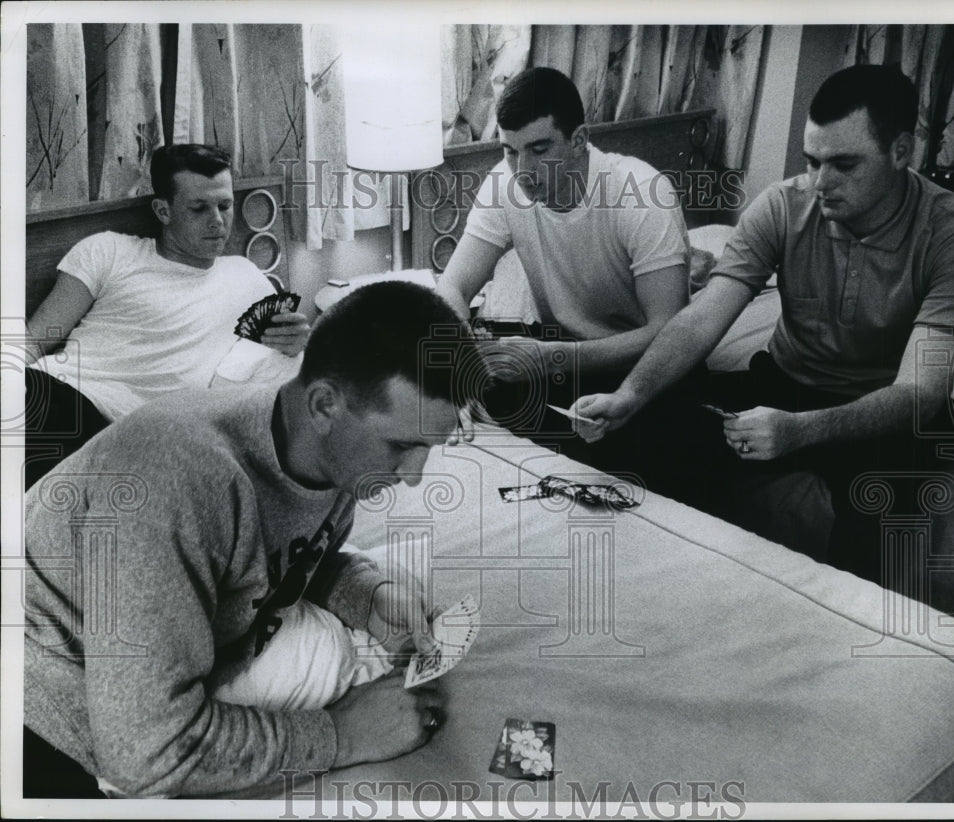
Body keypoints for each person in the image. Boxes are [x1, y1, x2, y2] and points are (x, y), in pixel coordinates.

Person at [23, 281, 482, 799]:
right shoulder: (178, 478)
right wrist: (345, 734)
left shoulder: (331, 455)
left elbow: (295, 552)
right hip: (37, 707)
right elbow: (145, 754)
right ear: (325, 404)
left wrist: (369, 597)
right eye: (402, 445)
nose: (415, 477)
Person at [571, 65, 954, 609]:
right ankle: (674, 600)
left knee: (884, 510)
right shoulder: (782, 205)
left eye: (844, 165)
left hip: (883, 413)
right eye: (812, 162)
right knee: (652, 429)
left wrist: (798, 433)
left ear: (901, 150)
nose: (820, 183)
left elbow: (919, 395)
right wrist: (630, 395)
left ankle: (840, 650)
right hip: (784, 382)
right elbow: (701, 319)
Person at [435, 67, 697, 478]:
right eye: (509, 150)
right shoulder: (505, 183)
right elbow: (453, 285)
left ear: (579, 140)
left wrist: (552, 359)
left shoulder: (641, 193)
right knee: (452, 402)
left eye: (539, 150)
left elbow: (670, 329)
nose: (522, 169)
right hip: (561, 356)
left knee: (630, 459)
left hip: (641, 365)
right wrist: (460, 360)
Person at [23, 143, 310, 489]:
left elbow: (277, 364)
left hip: (127, 435)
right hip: (56, 393)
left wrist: (297, 341)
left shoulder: (247, 276)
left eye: (225, 205)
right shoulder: (109, 251)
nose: (217, 221)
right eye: (199, 208)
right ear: (163, 210)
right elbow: (33, 339)